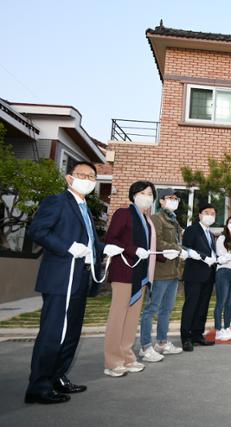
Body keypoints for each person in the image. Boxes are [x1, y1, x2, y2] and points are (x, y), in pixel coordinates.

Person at [25, 161, 108, 404]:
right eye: (82, 175)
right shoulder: (57, 202)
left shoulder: (85, 208)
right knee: (54, 334)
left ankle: (57, 376)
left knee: (71, 333)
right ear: (69, 178)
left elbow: (88, 243)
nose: (88, 179)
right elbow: (38, 231)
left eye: (92, 176)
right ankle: (38, 386)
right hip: (61, 278)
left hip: (80, 278)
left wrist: (104, 248)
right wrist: (67, 247)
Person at [103, 181, 162, 377]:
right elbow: (112, 239)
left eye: (150, 194)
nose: (147, 197)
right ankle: (113, 361)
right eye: (143, 192)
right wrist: (133, 250)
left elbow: (147, 249)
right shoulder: (124, 214)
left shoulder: (147, 220)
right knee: (118, 318)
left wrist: (163, 254)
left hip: (140, 275)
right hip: (124, 273)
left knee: (131, 320)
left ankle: (127, 357)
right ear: (134, 194)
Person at [138, 188, 184, 362]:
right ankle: (145, 346)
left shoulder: (174, 220)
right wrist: (179, 249)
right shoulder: (157, 218)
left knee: (167, 309)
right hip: (159, 271)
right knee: (151, 309)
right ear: (162, 201)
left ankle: (162, 342)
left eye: (176, 198)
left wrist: (183, 251)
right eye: (170, 198)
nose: (174, 201)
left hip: (173, 271)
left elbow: (175, 242)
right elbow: (156, 242)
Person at [180, 204, 218, 351]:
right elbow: (187, 248)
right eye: (207, 212)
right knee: (191, 306)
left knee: (202, 307)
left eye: (213, 213)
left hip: (208, 275)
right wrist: (203, 257)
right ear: (200, 215)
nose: (210, 215)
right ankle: (186, 337)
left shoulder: (210, 233)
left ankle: (197, 335)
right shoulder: (192, 230)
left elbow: (211, 253)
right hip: (194, 275)